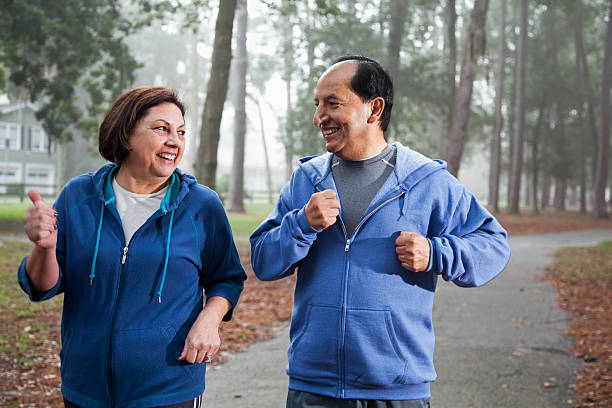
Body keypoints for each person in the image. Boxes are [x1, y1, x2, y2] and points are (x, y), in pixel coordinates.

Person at [250, 56, 511, 407]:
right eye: (317, 105)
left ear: (373, 109)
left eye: (332, 104)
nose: (318, 118)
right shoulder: (307, 180)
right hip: (314, 389)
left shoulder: (427, 181)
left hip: (397, 391)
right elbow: (264, 261)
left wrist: (436, 253)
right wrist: (301, 224)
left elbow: (493, 244)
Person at [19, 87, 247, 408]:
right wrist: (44, 248)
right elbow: (41, 288)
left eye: (180, 132)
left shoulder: (201, 206)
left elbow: (227, 277)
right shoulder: (78, 197)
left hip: (169, 387)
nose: (175, 141)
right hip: (85, 388)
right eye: (161, 129)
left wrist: (210, 319)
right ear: (126, 134)